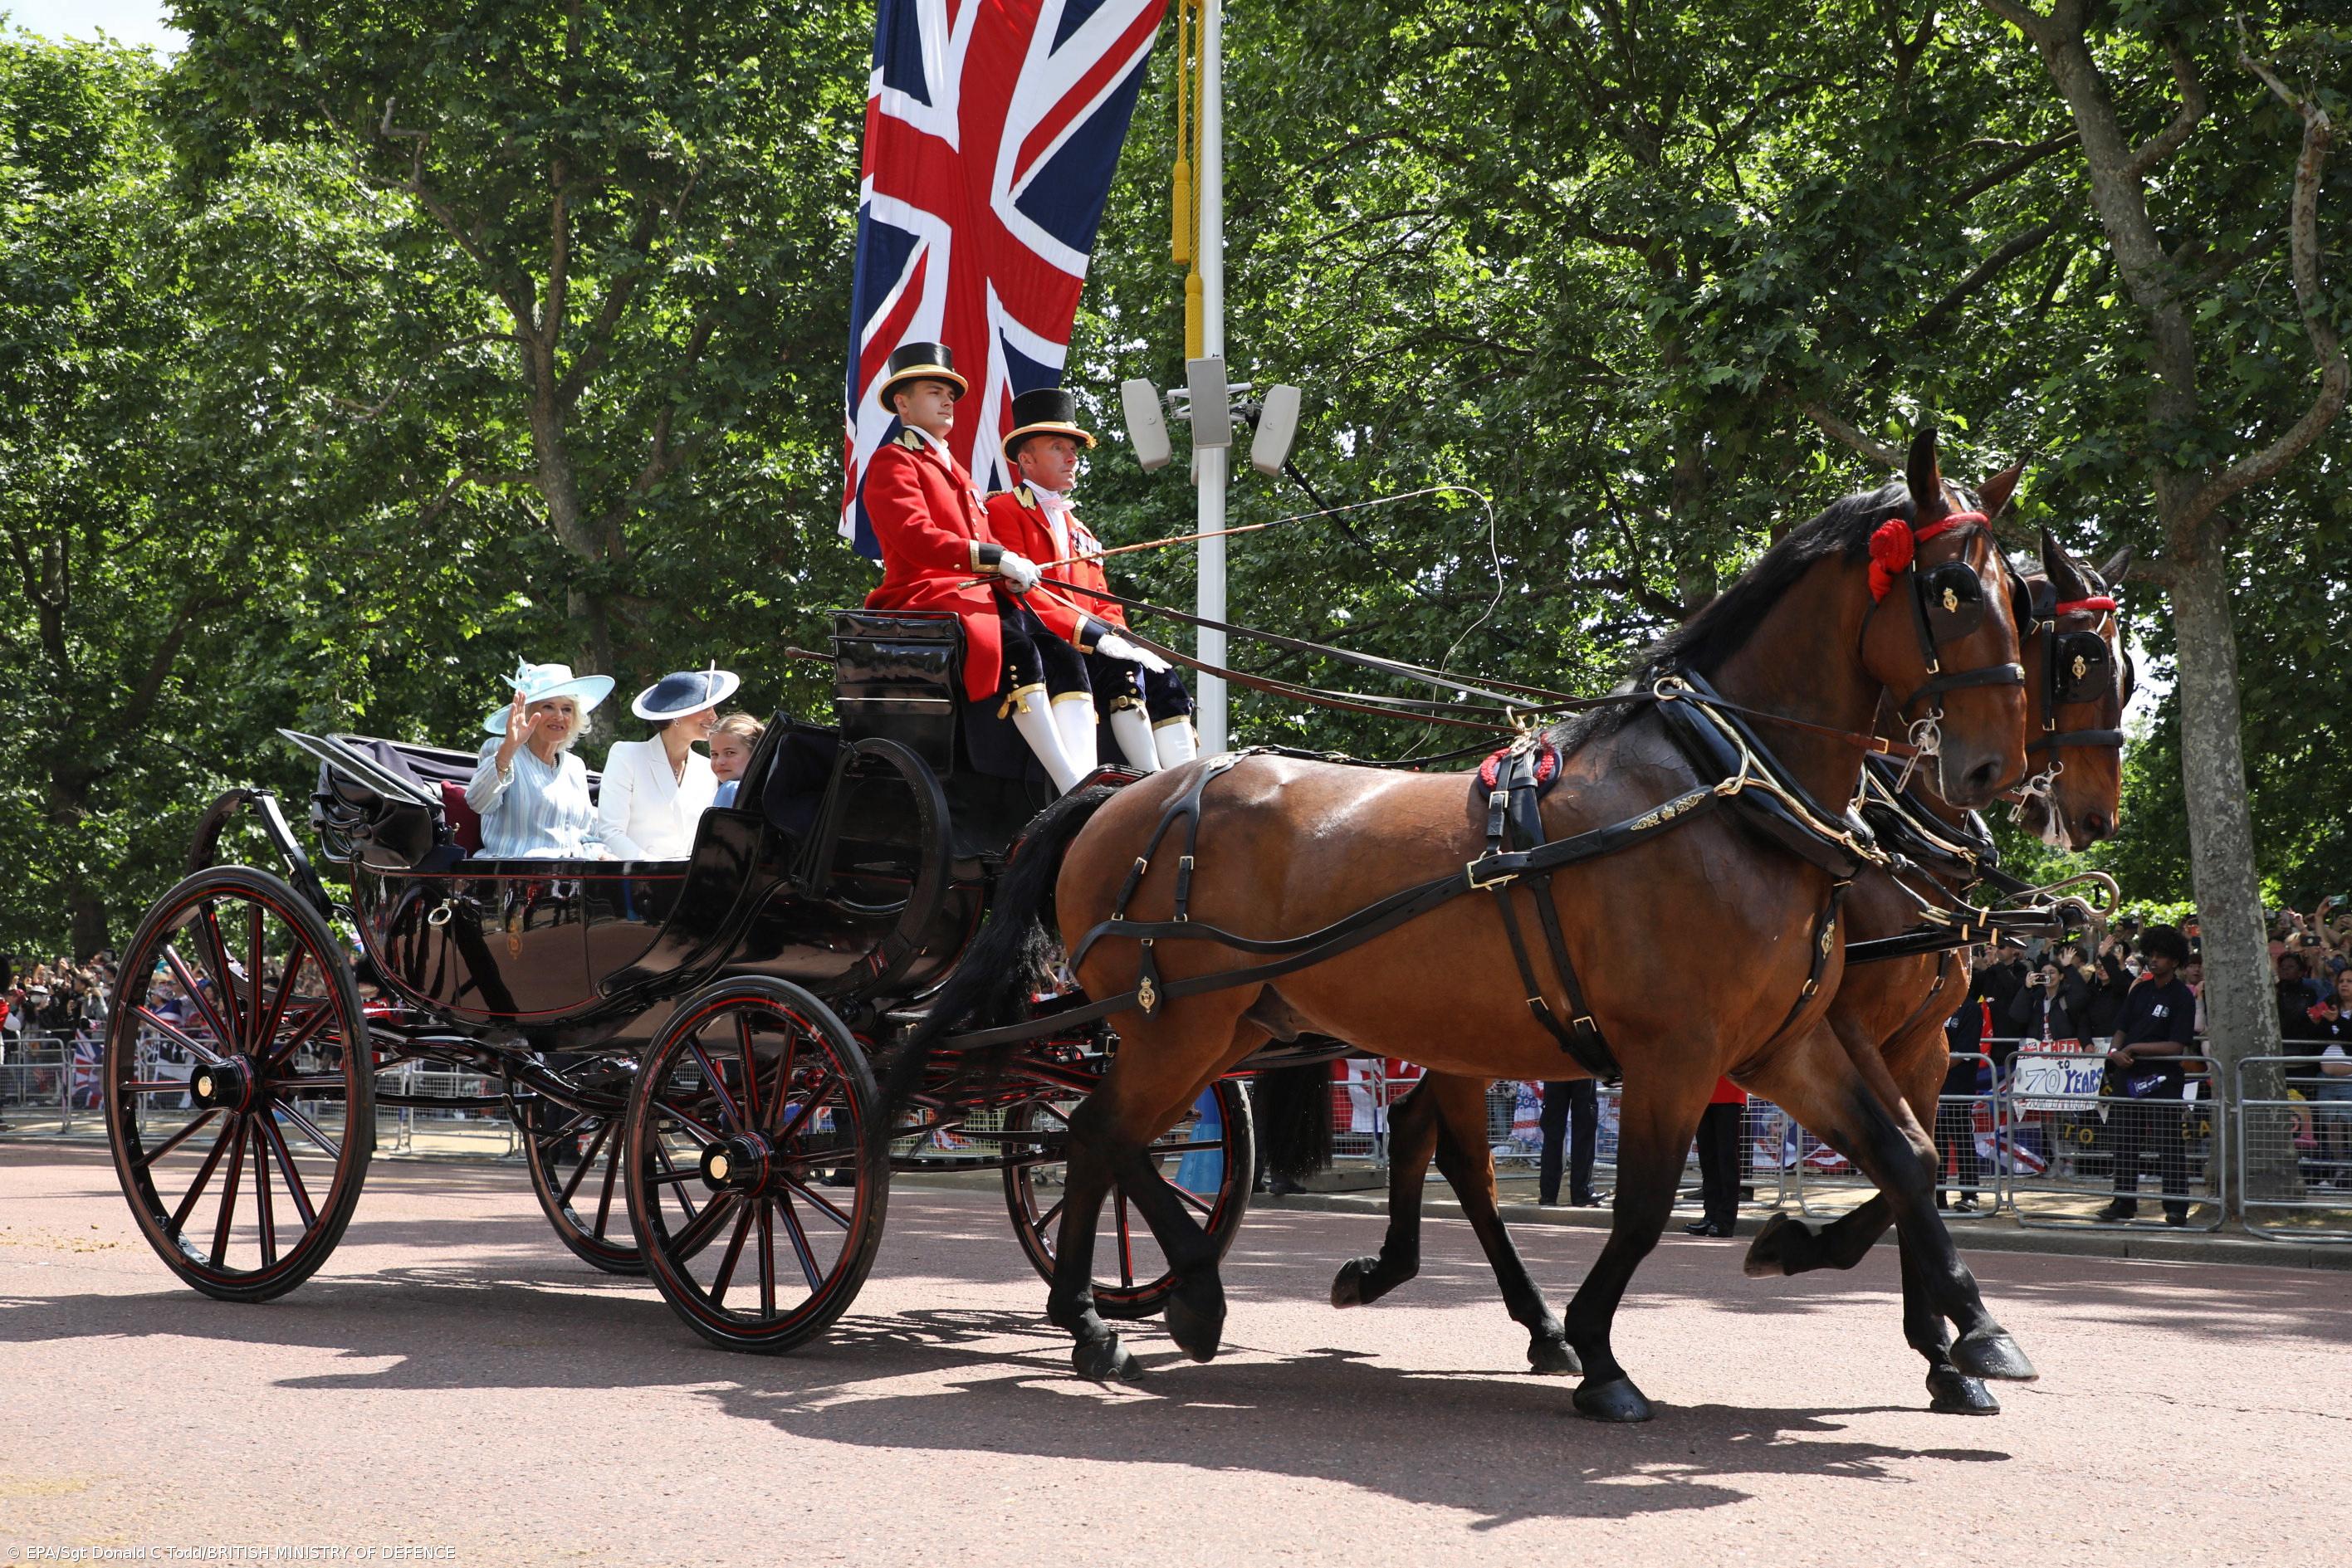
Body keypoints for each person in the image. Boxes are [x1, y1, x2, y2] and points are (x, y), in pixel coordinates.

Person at [858, 342, 1087, 792]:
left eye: (949, 393)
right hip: (927, 593)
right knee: (1019, 650)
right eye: (933, 391)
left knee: (1063, 654)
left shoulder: (958, 471)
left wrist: (1010, 568)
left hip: (977, 593)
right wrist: (997, 558)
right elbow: (914, 536)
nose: (947, 401)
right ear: (902, 403)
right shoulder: (893, 461)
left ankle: (1088, 775)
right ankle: (1070, 785)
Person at [984, 386, 1198, 774]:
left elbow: (1103, 600)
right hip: (1044, 641)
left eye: (1074, 450)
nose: (1072, 457)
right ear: (1027, 458)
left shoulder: (1081, 529)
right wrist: (1093, 636)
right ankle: (1150, 783)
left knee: (1164, 678)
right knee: (1123, 671)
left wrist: (1122, 638)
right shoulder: (1002, 510)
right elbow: (1024, 596)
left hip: (1089, 642)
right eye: (1058, 447)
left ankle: (1183, 781)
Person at [465, 658, 624, 859]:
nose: (559, 715)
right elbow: (478, 802)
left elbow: (585, 836)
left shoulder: (574, 767)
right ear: (528, 712)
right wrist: (509, 748)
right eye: (549, 706)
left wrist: (602, 855)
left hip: (569, 880)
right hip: (513, 875)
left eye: (567, 709)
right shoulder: (500, 750)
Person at [2097, 924, 2199, 1224]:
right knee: (2125, 1141)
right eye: (2152, 955)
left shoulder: (2182, 996)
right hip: (2128, 1076)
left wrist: (2137, 1048)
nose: (2155, 961)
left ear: (2176, 961)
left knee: (2168, 1143)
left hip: (2163, 1080)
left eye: (2162, 956)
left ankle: (2177, 1206)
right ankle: (2124, 1202)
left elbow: (2176, 1045)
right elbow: (2121, 1027)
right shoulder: (2139, 989)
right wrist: (2116, 1052)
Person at [599, 668, 735, 859]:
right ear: (676, 715)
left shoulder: (707, 768)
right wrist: (653, 869)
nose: (714, 717)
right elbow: (611, 833)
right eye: (706, 709)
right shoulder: (627, 755)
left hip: (690, 880)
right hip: (640, 878)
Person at [1938, 980, 1989, 1211]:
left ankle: (1970, 1194)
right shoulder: (1937, 1006)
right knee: (1936, 1142)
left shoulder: (1970, 1009)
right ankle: (1937, 1195)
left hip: (1958, 1085)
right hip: (1935, 1087)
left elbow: (1965, 1051)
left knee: (1962, 1139)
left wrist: (1935, 1066)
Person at [1685, 1077, 1745, 1236]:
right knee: (1708, 1160)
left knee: (1726, 1159)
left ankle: (1725, 1221)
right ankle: (1710, 1216)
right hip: (1702, 1094)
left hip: (1729, 1094)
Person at [1538, 1078, 1600, 1206]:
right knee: (1584, 1129)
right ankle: (1582, 1192)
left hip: (1555, 1071)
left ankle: (1548, 1194)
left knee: (1552, 1135)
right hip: (1582, 1067)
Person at [709, 712, 765, 808]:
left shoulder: (730, 789)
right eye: (714, 754)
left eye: (730, 753)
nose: (719, 762)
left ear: (755, 754)